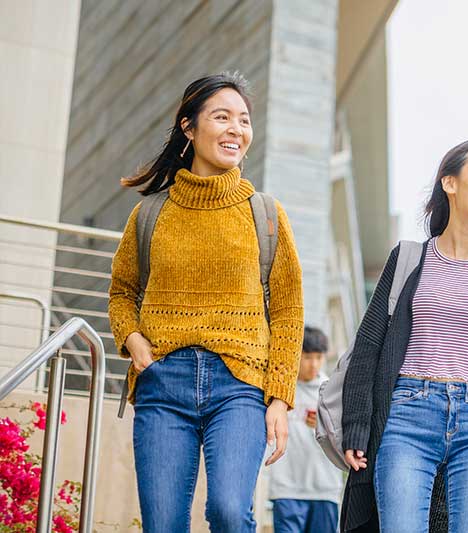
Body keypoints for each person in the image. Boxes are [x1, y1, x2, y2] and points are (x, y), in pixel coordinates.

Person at [108, 72, 304, 532]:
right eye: (222, 117)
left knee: (230, 512)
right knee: (162, 525)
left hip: (240, 386)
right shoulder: (151, 212)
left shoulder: (266, 213)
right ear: (189, 128)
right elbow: (122, 291)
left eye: (244, 119)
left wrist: (279, 397)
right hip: (162, 383)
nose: (237, 129)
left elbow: (289, 309)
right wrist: (133, 339)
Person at [340, 138, 468, 532]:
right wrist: (357, 423)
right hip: (406, 416)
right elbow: (368, 346)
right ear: (449, 183)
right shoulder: (407, 260)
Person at [269, 326, 343, 532]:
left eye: (319, 357)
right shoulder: (280, 390)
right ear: (296, 355)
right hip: (286, 488)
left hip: (324, 489)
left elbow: (346, 440)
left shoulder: (331, 391)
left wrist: (325, 426)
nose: (314, 364)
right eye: (308, 357)